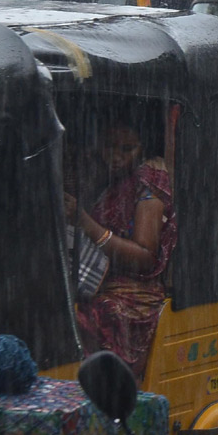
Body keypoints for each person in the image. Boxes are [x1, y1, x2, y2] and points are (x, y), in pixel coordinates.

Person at [64, 117, 177, 381]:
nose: (115, 156)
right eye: (108, 147)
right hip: (98, 280)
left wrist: (83, 221)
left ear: (143, 149)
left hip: (134, 294)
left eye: (127, 149)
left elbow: (144, 257)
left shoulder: (149, 180)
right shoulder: (108, 177)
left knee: (79, 318)